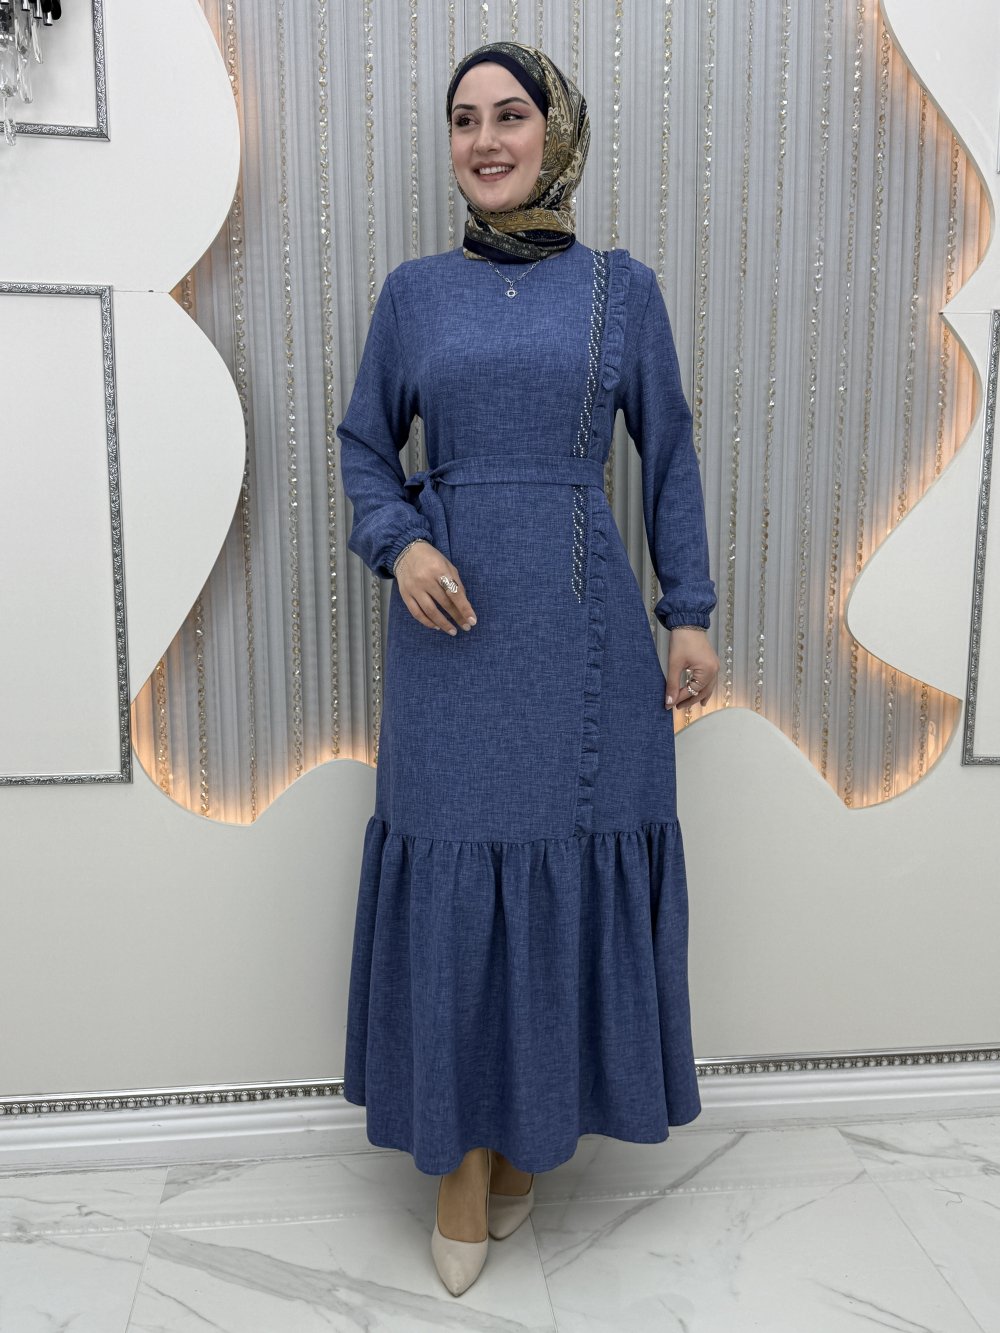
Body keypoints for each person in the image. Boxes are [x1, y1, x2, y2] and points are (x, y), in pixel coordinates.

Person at [336, 39, 719, 1297]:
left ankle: (524, 1135)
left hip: (580, 632)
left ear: (555, 133)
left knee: (561, 863)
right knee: (459, 870)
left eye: (509, 115)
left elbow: (667, 453)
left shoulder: (620, 289)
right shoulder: (413, 295)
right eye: (464, 120)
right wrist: (399, 543)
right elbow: (363, 448)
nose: (485, 140)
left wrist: (687, 610)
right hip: (449, 635)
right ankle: (461, 1160)